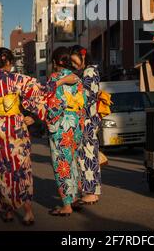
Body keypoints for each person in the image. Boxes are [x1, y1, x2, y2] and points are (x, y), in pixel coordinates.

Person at [0, 47, 45, 225]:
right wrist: (33, 116)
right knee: (22, 167)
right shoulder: (20, 79)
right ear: (9, 62)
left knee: (3, 170)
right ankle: (28, 212)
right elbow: (38, 91)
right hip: (17, 126)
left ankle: (9, 211)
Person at [45, 47, 87, 216]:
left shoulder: (54, 78)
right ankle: (76, 198)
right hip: (75, 123)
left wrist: (47, 120)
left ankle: (67, 205)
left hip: (61, 124)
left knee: (61, 163)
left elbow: (51, 103)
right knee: (73, 161)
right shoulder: (77, 78)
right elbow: (82, 102)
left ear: (55, 62)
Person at [70, 45, 102, 205]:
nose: (73, 65)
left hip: (87, 119)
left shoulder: (89, 72)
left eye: (74, 61)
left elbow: (86, 96)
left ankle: (91, 192)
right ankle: (91, 191)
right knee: (87, 155)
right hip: (89, 118)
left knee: (88, 155)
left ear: (82, 56)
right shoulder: (88, 71)